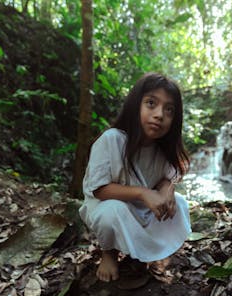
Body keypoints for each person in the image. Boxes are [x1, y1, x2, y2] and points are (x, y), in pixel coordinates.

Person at [79, 72, 192, 282]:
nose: (159, 114)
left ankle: (141, 254)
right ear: (135, 105)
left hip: (141, 209)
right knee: (112, 211)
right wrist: (143, 193)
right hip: (106, 207)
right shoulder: (112, 140)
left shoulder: (162, 149)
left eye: (169, 110)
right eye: (151, 103)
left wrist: (167, 191)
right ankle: (109, 253)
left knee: (179, 204)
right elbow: (100, 190)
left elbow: (167, 178)